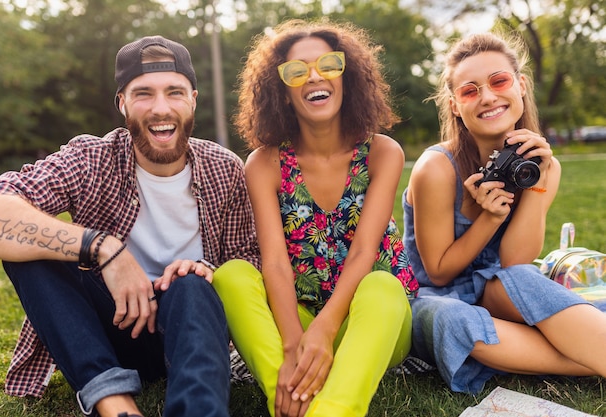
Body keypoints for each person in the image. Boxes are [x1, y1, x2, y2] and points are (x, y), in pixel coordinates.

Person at [0, 35, 259, 417]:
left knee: (191, 286)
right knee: (32, 250)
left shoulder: (225, 168)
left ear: (193, 99)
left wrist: (205, 271)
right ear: (122, 103)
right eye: (143, 93)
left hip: (190, 330)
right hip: (108, 329)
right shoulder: (90, 158)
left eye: (174, 92)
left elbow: (249, 258)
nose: (161, 108)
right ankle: (115, 404)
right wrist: (103, 248)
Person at [210, 19, 419, 417]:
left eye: (328, 64)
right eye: (297, 71)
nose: (314, 77)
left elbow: (362, 253)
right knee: (231, 276)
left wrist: (325, 331)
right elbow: (273, 263)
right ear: (282, 92)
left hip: (373, 322)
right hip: (301, 318)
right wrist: (293, 343)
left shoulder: (382, 152)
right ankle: (292, 388)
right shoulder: (265, 163)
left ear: (348, 77)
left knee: (382, 286)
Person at [402, 31, 606, 394]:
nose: (488, 97)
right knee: (456, 321)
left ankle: (586, 348)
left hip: (501, 290)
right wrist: (490, 218)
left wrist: (538, 182)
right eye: (470, 90)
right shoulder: (436, 168)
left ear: (521, 85)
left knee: (523, 279)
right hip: (435, 297)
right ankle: (586, 356)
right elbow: (437, 271)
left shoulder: (542, 167)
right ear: (454, 105)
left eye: (499, 81)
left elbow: (513, 261)